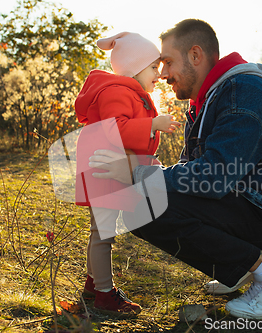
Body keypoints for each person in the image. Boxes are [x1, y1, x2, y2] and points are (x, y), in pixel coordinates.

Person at [88, 19, 262, 320]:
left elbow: (214, 175)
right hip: (248, 203)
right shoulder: (207, 100)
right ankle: (244, 268)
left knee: (141, 202)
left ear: (196, 55)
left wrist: (137, 173)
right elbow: (191, 172)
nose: (164, 73)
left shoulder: (244, 91)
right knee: (144, 197)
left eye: (168, 62)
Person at [74, 31, 180, 315]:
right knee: (103, 234)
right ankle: (105, 295)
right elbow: (116, 130)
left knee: (101, 232)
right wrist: (152, 124)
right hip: (105, 170)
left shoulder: (128, 92)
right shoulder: (117, 91)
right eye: (154, 67)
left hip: (110, 170)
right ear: (135, 66)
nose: (159, 74)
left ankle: (93, 286)